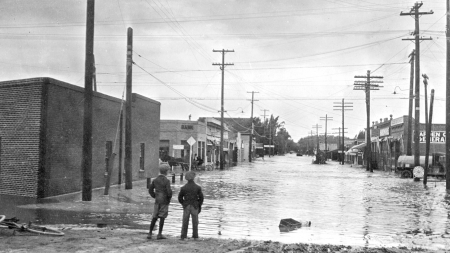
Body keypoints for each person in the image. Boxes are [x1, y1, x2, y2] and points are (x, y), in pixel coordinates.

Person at [148, 164, 172, 240]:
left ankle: (150, 233)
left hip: (157, 201)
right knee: (162, 217)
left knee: (154, 217)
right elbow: (169, 192)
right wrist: (169, 199)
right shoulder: (167, 181)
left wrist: (154, 196)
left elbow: (150, 190)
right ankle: (159, 234)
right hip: (164, 201)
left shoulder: (155, 180)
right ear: (166, 172)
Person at [178, 171, 204, 240]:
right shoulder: (198, 187)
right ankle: (195, 236)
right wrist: (199, 204)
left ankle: (183, 236)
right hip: (195, 205)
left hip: (186, 205)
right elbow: (201, 198)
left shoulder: (183, 188)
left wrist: (183, 203)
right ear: (193, 177)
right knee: (195, 222)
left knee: (185, 221)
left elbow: (180, 198)